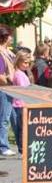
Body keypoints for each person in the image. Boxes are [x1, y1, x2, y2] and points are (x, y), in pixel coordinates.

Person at [10, 52, 32, 153]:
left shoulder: (21, 73)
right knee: (22, 127)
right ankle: (22, 147)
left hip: (21, 103)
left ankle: (22, 146)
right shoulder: (19, 74)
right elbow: (24, 90)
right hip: (21, 104)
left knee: (22, 127)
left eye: (28, 63)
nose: (27, 65)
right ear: (19, 62)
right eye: (25, 63)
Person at [0, 25, 16, 156]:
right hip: (4, 89)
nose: (12, 37)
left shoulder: (7, 52)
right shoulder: (0, 53)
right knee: (4, 118)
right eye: (10, 35)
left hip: (10, 88)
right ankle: (3, 146)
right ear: (5, 37)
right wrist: (8, 81)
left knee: (8, 117)